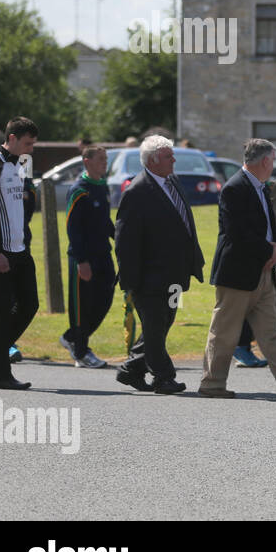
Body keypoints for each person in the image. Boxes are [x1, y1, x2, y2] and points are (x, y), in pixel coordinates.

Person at [197, 139, 276, 400]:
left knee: (270, 331)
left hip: (262, 272)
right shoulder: (235, 188)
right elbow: (236, 233)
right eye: (273, 160)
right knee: (224, 332)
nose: (273, 165)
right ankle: (212, 384)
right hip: (237, 273)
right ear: (265, 161)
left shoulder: (260, 188)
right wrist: (269, 251)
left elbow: (270, 227)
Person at [113, 135, 205, 395]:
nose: (174, 159)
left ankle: (132, 369)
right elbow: (125, 241)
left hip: (176, 273)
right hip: (149, 276)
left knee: (164, 323)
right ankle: (164, 377)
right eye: (168, 156)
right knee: (154, 327)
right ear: (153, 161)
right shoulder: (137, 192)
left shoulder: (172, 181)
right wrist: (131, 281)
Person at [0, 117, 39, 390]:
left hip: (20, 249)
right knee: (0, 310)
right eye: (27, 143)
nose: (31, 149)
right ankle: (0, 375)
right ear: (12, 138)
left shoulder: (20, 165)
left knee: (29, 304)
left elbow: (23, 204)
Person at [61, 145, 113, 369]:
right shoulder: (79, 189)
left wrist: (120, 239)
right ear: (86, 161)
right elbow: (73, 228)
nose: (105, 163)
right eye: (100, 159)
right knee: (82, 307)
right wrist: (82, 260)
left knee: (104, 300)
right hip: (84, 258)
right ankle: (81, 351)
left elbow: (106, 222)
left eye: (106, 159)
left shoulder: (103, 187)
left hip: (103, 255)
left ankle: (71, 337)